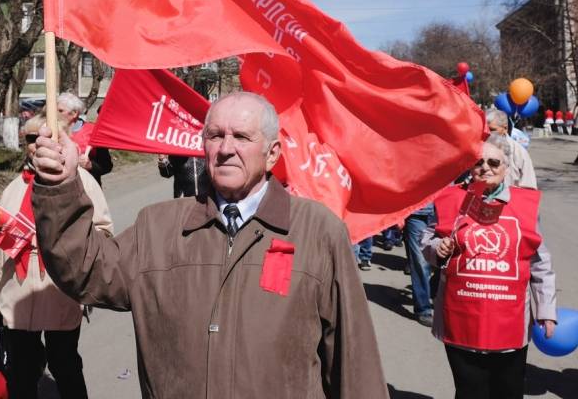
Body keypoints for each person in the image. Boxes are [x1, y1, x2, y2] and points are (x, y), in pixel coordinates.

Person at [29, 91, 388, 398]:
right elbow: (85, 271)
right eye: (215, 135)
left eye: (242, 137)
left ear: (273, 154)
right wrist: (59, 185)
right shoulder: (158, 225)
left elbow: (353, 358)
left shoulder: (318, 230)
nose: (226, 149)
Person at [0, 117, 113, 399]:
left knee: (64, 364)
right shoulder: (14, 187)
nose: (35, 145)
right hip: (17, 292)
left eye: (42, 137)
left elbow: (104, 232)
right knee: (21, 369)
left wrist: (71, 247)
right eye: (30, 139)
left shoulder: (81, 182)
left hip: (60, 288)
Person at [421, 135, 557, 399]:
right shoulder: (452, 201)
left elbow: (540, 262)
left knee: (508, 392)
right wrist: (437, 248)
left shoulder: (524, 207)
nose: (485, 168)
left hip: (510, 322)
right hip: (461, 320)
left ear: (506, 167)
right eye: (478, 163)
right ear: (470, 168)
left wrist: (546, 310)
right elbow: (427, 241)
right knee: (470, 391)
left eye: (494, 162)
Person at [56, 92, 113, 186]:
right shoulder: (50, 131)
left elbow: (106, 166)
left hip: (87, 189)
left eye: (61, 111)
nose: (56, 115)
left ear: (74, 113)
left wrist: (90, 165)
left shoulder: (93, 132)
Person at [486, 109, 537, 188]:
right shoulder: (478, 147)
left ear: (505, 129)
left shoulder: (519, 152)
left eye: (492, 130)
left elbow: (529, 186)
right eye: (485, 129)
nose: (488, 133)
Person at [403, 203, 436, 326]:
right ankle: (423, 309)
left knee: (445, 260)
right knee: (421, 262)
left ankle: (434, 293)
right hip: (417, 213)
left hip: (444, 211)